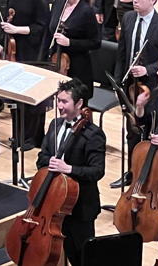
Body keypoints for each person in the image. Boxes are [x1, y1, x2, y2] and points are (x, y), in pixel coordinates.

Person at [111, 0, 158, 188]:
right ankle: (132, 171)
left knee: (148, 128)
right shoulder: (129, 18)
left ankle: (147, 173)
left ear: (153, 0)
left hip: (152, 86)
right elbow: (122, 53)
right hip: (130, 85)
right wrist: (118, 82)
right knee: (132, 128)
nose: (135, 0)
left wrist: (148, 69)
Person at [36, 79, 106, 266]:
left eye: (64, 101)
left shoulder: (93, 134)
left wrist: (69, 169)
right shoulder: (55, 125)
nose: (59, 106)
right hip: (52, 204)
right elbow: (41, 157)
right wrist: (48, 161)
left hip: (79, 206)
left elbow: (97, 171)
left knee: (81, 257)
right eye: (58, 100)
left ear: (79, 104)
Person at [2, 0, 49, 149]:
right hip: (14, 47)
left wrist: (17, 29)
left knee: (30, 94)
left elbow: (41, 26)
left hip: (31, 48)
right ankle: (18, 134)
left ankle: (32, 137)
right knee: (14, 92)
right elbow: (7, 12)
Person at [46, 0, 100, 95]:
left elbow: (95, 42)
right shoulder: (58, 3)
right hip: (57, 62)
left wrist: (70, 42)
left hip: (78, 68)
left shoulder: (86, 11)